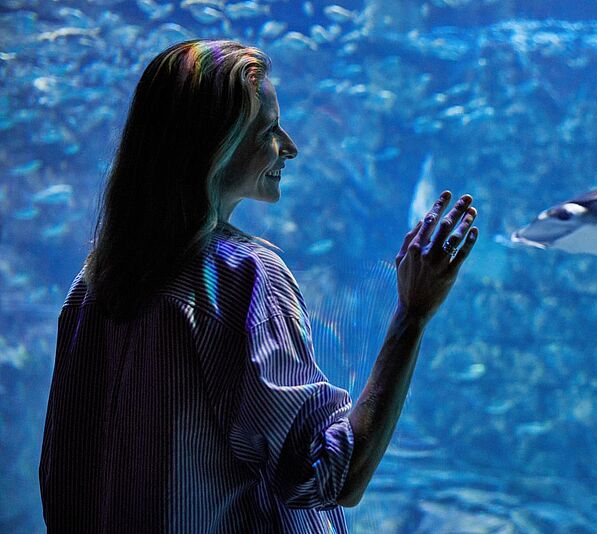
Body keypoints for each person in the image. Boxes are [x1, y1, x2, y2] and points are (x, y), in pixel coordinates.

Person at [39, 39, 478, 533]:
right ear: (215, 142)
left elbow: (66, 478)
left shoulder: (94, 282)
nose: (289, 146)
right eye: (268, 129)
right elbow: (335, 474)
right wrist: (413, 314)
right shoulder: (243, 277)